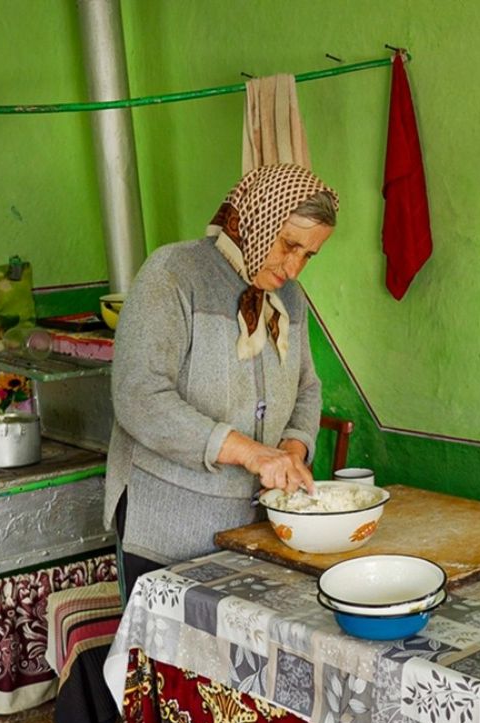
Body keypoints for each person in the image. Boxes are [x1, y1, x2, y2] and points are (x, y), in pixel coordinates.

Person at [105, 163, 338, 597]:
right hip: (169, 531)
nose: (294, 267)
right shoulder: (174, 273)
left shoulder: (288, 297)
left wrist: (291, 449)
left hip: (254, 531)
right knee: (164, 663)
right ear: (257, 219)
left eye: (308, 255)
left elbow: (307, 386)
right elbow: (140, 397)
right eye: (289, 245)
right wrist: (250, 453)